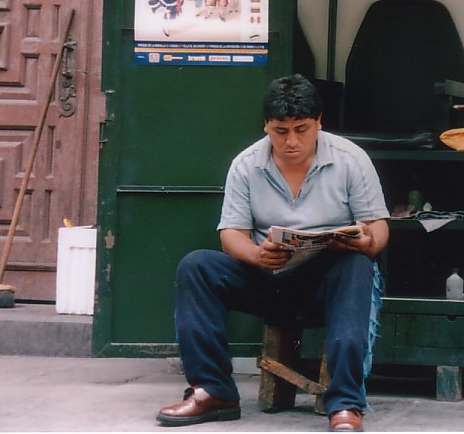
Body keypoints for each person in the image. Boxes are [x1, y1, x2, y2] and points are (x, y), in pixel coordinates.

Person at [157, 74, 389, 432]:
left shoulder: (351, 160)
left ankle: (345, 404)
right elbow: (231, 233)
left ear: (319, 123)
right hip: (267, 275)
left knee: (359, 263)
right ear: (266, 125)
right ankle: (213, 392)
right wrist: (255, 255)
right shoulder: (247, 164)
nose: (292, 141)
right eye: (281, 131)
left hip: (328, 285)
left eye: (302, 129)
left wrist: (365, 241)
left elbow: (379, 228)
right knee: (197, 266)